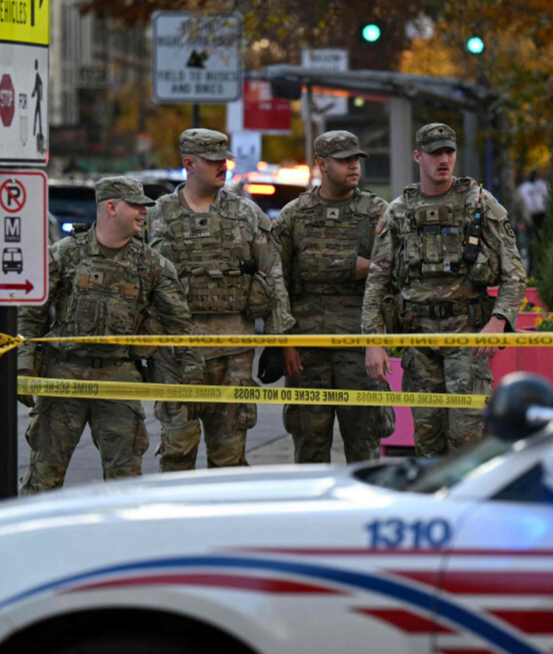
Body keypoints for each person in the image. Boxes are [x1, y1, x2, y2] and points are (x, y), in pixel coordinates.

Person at [16, 177, 204, 494]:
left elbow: (180, 326)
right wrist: (23, 367)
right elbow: (30, 314)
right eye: (136, 206)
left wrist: (194, 378)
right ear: (111, 207)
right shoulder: (64, 256)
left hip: (119, 379)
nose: (144, 213)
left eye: (145, 207)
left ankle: (121, 542)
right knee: (42, 480)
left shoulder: (152, 265)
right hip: (64, 378)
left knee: (125, 485)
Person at [361, 123, 527, 458]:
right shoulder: (399, 212)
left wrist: (498, 322)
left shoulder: (479, 206)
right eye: (436, 152)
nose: (444, 159)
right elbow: (376, 282)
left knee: (466, 443)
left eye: (449, 151)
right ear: (418, 156)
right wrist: (373, 341)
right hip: (418, 342)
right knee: (426, 444)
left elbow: (515, 274)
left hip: (467, 338)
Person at [147, 129, 294, 469]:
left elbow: (273, 276)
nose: (222, 166)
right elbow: (143, 281)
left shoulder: (245, 213)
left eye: (224, 160)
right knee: (176, 454)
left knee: (229, 458)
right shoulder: (158, 216)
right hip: (178, 355)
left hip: (234, 355)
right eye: (213, 161)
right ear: (188, 163)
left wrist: (275, 342)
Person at [275, 131, 395, 464]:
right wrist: (284, 341)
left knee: (364, 443)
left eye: (356, 159)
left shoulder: (376, 214)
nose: (353, 166)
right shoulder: (294, 216)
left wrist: (377, 340)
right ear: (322, 164)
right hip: (307, 348)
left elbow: (391, 277)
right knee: (309, 445)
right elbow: (276, 282)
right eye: (344, 160)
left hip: (359, 347)